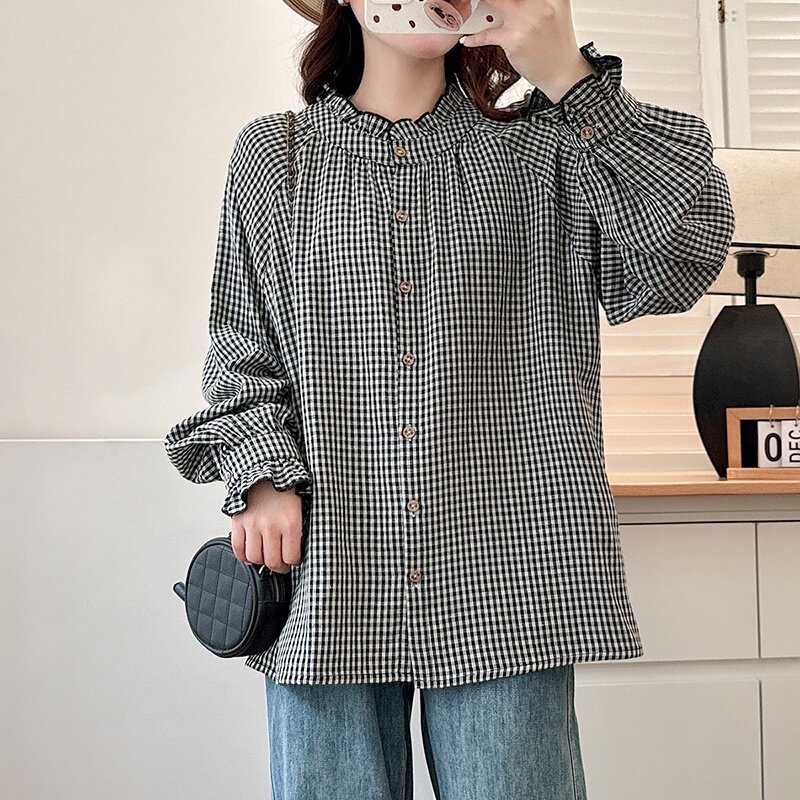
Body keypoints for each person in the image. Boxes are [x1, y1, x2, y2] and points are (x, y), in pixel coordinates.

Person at [164, 0, 736, 797]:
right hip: (327, 565)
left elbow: (681, 260)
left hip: (510, 570)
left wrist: (572, 79)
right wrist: (261, 475)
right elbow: (241, 345)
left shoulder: (543, 150)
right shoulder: (276, 156)